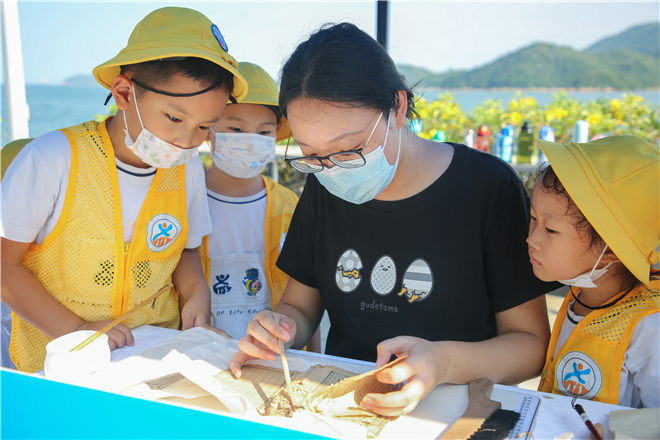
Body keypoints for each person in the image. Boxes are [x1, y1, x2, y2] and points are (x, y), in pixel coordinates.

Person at [229, 23, 558, 416]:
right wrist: (277, 328)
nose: (333, 169)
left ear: (398, 107)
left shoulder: (487, 187)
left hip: (452, 413)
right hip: (341, 407)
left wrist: (443, 363)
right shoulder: (324, 185)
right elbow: (300, 306)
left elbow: (531, 345)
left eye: (349, 148)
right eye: (311, 154)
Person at [0, 7, 249, 373]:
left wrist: (196, 294)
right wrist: (77, 332)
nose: (185, 141)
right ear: (124, 93)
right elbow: (5, 266)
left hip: (154, 361)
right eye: (175, 118)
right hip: (56, 367)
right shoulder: (52, 158)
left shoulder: (188, 168)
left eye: (203, 127)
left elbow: (185, 249)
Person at [530, 135, 659, 408]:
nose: (532, 239)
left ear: (610, 251)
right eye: (533, 218)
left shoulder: (649, 329)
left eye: (550, 229)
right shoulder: (582, 293)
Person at [201, 61, 320, 351]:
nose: (251, 142)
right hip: (201, 354)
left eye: (264, 133)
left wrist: (314, 356)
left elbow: (306, 292)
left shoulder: (289, 206)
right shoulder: (183, 201)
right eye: (236, 128)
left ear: (277, 130)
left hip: (272, 358)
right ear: (207, 126)